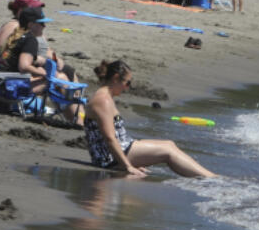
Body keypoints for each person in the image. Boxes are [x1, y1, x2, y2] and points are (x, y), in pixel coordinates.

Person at [84, 60, 217, 177]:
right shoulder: (103, 101)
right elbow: (110, 138)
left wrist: (133, 162)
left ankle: (209, 176)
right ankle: (210, 179)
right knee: (168, 151)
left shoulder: (106, 98)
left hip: (119, 151)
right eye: (127, 83)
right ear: (116, 78)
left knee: (169, 144)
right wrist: (127, 166)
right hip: (108, 159)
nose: (127, 88)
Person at [0, 0, 44, 66]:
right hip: (13, 71)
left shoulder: (29, 26)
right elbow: (2, 56)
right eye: (34, 8)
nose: (38, 11)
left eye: (38, 8)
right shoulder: (13, 26)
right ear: (20, 11)